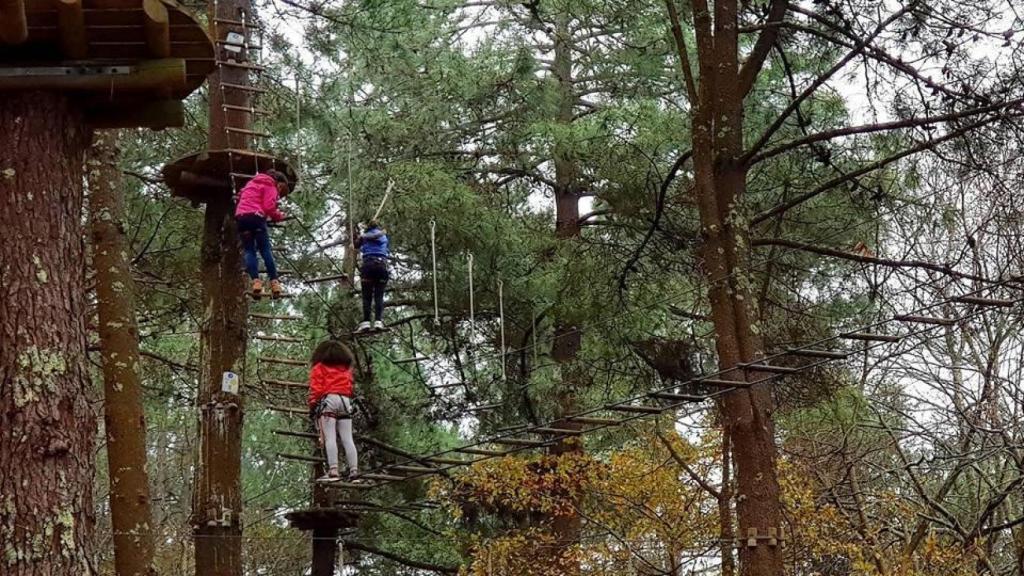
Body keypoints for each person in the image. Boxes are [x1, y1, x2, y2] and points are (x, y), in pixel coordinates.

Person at [307, 340, 359, 482]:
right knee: (348, 438)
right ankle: (354, 471)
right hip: (345, 401)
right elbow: (350, 386)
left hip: (329, 400)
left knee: (330, 437)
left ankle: (333, 470)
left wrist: (312, 405)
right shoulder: (345, 369)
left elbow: (316, 389)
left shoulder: (319, 367)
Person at [235, 170, 288, 299]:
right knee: (265, 250)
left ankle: (256, 282)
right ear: (279, 183)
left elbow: (240, 195)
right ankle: (275, 283)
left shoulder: (251, 184)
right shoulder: (270, 186)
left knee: (249, 250)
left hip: (242, 218)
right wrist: (278, 216)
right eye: (280, 189)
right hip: (257, 218)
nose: (279, 192)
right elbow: (269, 207)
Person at [353, 219, 389, 332]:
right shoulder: (383, 237)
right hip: (381, 266)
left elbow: (356, 245)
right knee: (379, 296)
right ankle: (378, 321)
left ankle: (366, 323)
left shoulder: (365, 237)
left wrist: (358, 238)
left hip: (368, 266)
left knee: (367, 296)